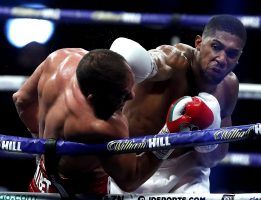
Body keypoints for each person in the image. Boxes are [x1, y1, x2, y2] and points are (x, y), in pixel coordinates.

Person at [109, 14, 247, 193]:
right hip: (136, 159)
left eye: (231, 53)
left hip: (185, 173)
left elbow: (212, 160)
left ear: (238, 57)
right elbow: (148, 59)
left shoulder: (228, 87)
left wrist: (208, 138)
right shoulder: (174, 60)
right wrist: (138, 63)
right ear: (198, 43)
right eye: (215, 47)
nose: (221, 59)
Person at [12, 48, 176, 197]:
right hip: (85, 194)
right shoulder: (104, 126)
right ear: (93, 97)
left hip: (39, 182)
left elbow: (21, 100)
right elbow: (131, 178)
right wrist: (170, 131)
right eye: (122, 95)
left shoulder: (59, 58)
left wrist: (42, 145)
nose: (132, 96)